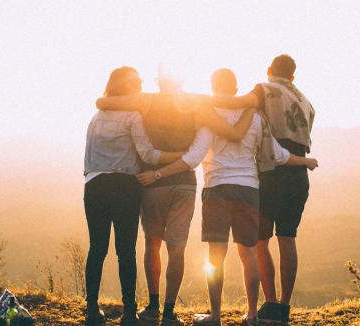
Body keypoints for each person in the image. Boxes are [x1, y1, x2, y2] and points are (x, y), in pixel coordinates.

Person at [138, 68, 317, 326]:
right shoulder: (255, 117)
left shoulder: (210, 116)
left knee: (216, 256)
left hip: (217, 188)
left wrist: (158, 173)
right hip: (249, 190)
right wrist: (305, 161)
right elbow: (277, 154)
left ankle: (215, 315)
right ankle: (252, 315)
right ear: (235, 89)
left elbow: (193, 157)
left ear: (213, 87)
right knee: (249, 254)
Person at [95, 71, 255, 325]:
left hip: (152, 183)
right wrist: (250, 101)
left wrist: (103, 102)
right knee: (176, 248)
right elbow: (231, 113)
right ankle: (170, 312)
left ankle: (153, 307)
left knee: (152, 244)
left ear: (159, 81)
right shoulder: (195, 102)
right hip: (185, 183)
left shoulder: (145, 100)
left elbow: (104, 103)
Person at [212, 54, 316, 324]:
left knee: (260, 240)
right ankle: (283, 307)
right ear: (293, 75)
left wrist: (200, 103)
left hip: (271, 171)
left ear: (270, 70)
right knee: (288, 238)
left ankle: (268, 303)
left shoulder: (264, 89)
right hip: (298, 174)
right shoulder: (306, 102)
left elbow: (235, 103)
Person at [83, 66, 184, 326]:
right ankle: (129, 312)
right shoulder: (133, 116)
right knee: (125, 251)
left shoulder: (96, 117)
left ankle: (92, 311)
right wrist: (180, 156)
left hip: (94, 185)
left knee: (97, 249)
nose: (140, 84)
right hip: (125, 187)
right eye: (135, 81)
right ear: (125, 87)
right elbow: (148, 155)